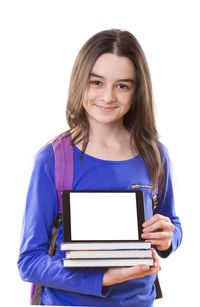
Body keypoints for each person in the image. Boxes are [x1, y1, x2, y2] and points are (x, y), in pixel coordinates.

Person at [17, 29, 182, 306]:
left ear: (137, 90)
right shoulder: (52, 161)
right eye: (96, 82)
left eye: (122, 86)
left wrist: (168, 238)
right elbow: (29, 262)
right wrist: (103, 278)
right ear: (80, 81)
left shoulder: (154, 155)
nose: (107, 97)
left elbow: (172, 223)